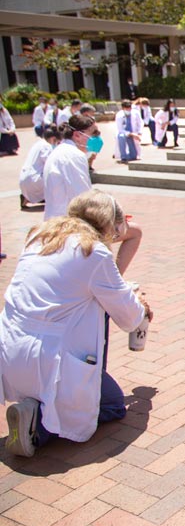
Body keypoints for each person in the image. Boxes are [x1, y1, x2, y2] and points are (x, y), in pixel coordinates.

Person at [0, 190, 153, 458]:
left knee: (95, 307)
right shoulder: (94, 252)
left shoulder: (42, 236)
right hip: (49, 359)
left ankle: (36, 403)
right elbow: (129, 318)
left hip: (11, 350)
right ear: (110, 224)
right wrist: (137, 301)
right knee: (113, 405)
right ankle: (36, 422)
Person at [19, 124, 58, 209]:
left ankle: (27, 198)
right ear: (53, 138)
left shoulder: (38, 143)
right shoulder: (46, 146)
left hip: (24, 176)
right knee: (56, 177)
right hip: (34, 178)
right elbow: (49, 162)